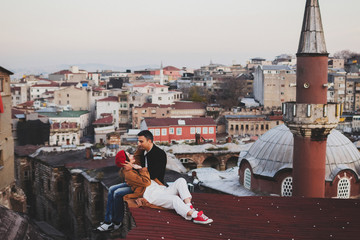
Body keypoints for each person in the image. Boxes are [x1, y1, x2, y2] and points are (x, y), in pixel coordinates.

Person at [95, 130, 167, 232]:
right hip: (139, 181)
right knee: (111, 189)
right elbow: (132, 162)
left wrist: (136, 170)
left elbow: (152, 176)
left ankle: (117, 222)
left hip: (149, 185)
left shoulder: (159, 154)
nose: (138, 144)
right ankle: (108, 221)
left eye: (141, 141)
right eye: (138, 141)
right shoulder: (142, 151)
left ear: (149, 141)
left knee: (118, 193)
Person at [119, 150, 213, 224]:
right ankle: (195, 215)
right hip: (151, 195)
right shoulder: (129, 174)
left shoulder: (133, 167)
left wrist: (141, 147)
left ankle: (189, 206)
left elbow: (138, 153)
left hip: (159, 189)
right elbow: (146, 183)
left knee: (181, 181)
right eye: (129, 155)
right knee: (175, 199)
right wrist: (142, 170)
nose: (132, 155)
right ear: (126, 161)